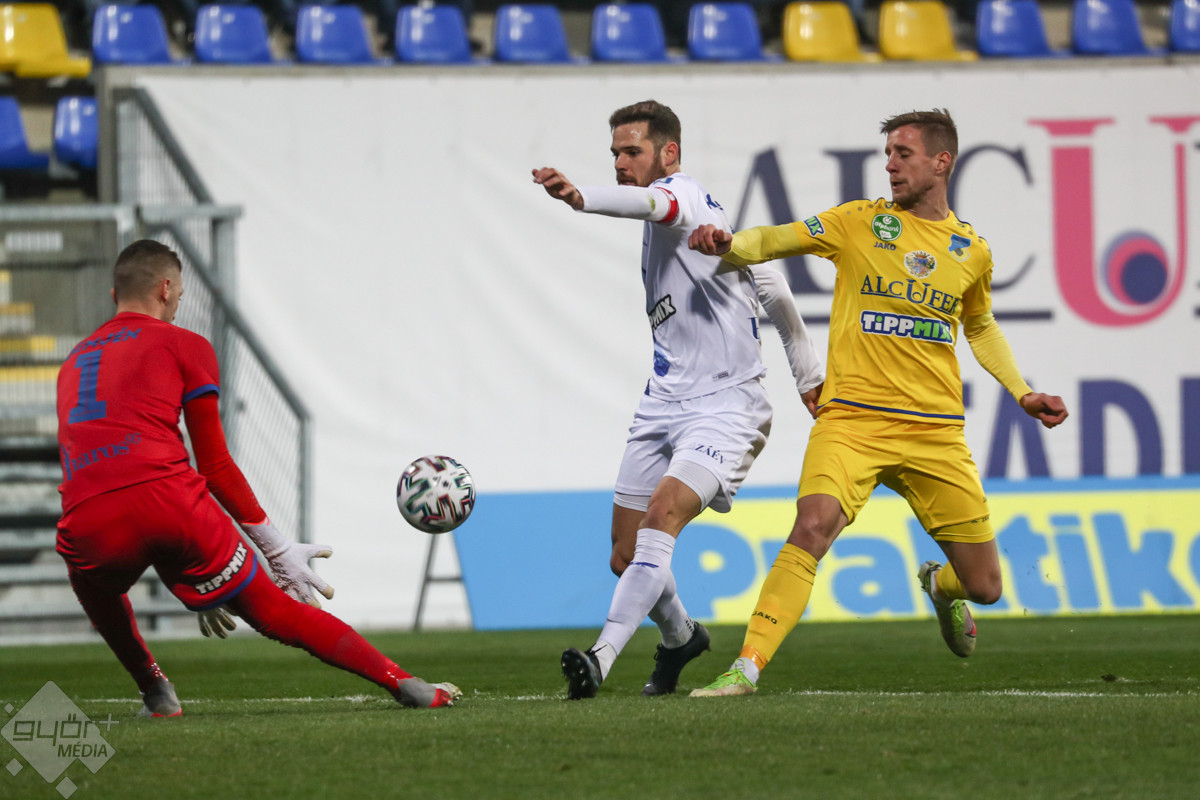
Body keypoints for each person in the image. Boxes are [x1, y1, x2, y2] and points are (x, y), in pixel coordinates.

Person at [686, 108, 1070, 697]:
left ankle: (940, 587)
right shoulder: (858, 222)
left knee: (986, 586)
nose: (890, 164)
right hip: (853, 421)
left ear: (941, 162)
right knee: (811, 527)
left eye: (903, 154)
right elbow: (776, 239)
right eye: (887, 153)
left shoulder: (972, 250)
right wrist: (729, 244)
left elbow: (980, 325)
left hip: (935, 431)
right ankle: (746, 668)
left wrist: (1022, 391)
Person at [55, 239, 460, 716]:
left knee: (94, 588)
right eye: (180, 294)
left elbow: (118, 480)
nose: (178, 302)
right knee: (276, 612)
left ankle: (155, 690)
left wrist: (181, 567)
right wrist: (275, 546)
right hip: (173, 506)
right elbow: (213, 466)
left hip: (90, 513)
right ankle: (405, 684)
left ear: (114, 294)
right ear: (165, 288)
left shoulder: (72, 363)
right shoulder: (185, 344)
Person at [532, 100, 824, 699]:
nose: (620, 163)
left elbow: (653, 204)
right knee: (625, 554)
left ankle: (600, 658)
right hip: (663, 402)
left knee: (662, 517)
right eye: (614, 153)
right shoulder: (690, 225)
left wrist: (580, 198)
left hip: (726, 405)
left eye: (632, 151)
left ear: (668, 153)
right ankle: (681, 637)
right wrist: (805, 374)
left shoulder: (681, 197)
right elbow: (769, 281)